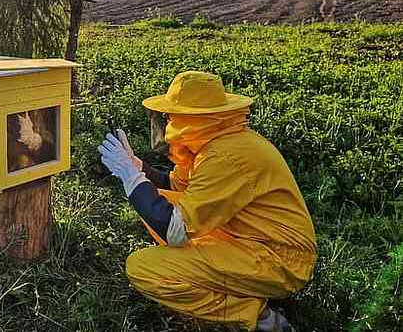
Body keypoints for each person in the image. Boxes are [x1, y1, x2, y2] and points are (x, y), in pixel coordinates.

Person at [98, 71, 316, 332]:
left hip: (280, 260)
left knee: (144, 268)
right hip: (249, 239)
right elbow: (175, 186)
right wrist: (136, 166)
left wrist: (132, 178)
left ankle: (261, 318)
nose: (167, 122)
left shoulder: (227, 156)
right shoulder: (215, 144)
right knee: (159, 198)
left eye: (171, 116)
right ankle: (235, 286)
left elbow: (174, 230)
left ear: (191, 119)